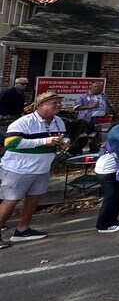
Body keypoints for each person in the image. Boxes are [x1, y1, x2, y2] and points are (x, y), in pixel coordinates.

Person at [0, 91, 68, 249]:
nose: (59, 105)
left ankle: (22, 230)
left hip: (42, 168)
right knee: (10, 201)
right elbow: (11, 143)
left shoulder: (59, 121)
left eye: (59, 102)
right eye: (54, 102)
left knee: (33, 200)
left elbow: (63, 136)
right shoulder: (24, 122)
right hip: (18, 169)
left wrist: (65, 141)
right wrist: (44, 141)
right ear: (40, 106)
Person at [74, 80, 111, 153]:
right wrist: (91, 106)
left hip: (101, 119)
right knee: (84, 135)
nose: (97, 88)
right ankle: (78, 151)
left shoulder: (104, 96)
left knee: (99, 136)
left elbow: (109, 105)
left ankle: (94, 151)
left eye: (99, 86)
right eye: (95, 86)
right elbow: (77, 107)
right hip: (88, 119)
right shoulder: (85, 96)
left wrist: (107, 112)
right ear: (91, 87)